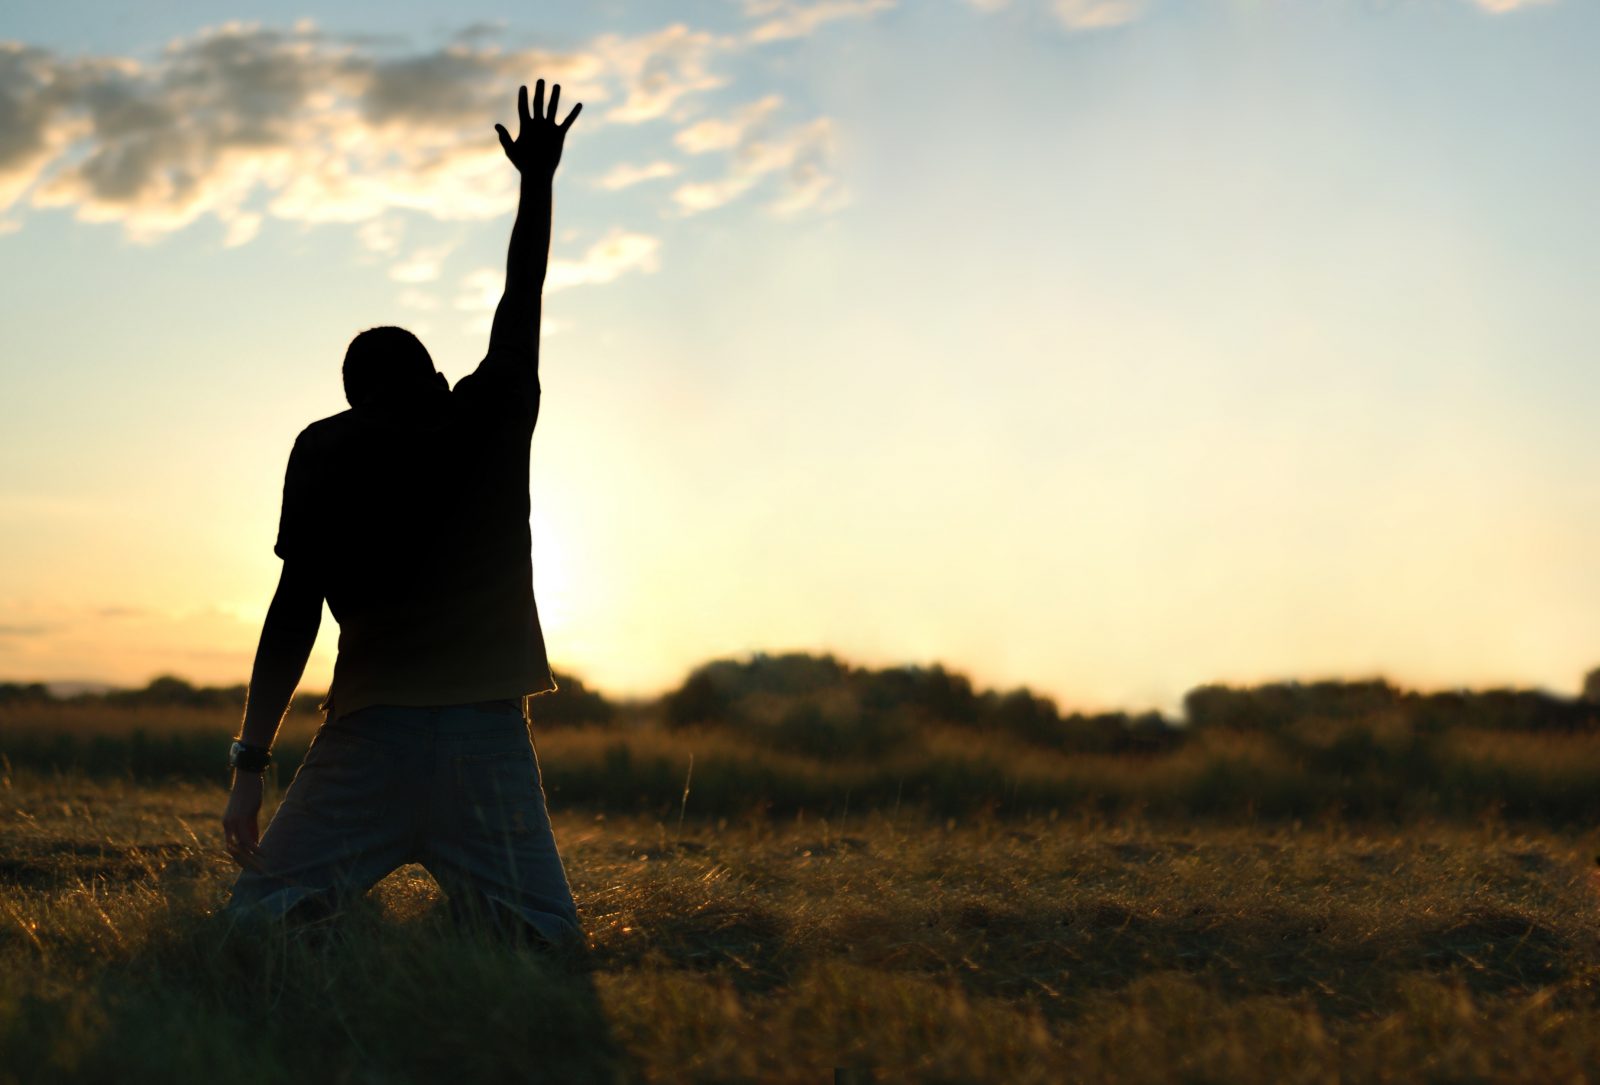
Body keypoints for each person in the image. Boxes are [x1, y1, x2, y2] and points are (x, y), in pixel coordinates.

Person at [220, 80, 584, 950]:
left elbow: (292, 611)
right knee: (550, 941)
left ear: (355, 396)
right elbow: (522, 292)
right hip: (487, 737)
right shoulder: (487, 413)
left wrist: (250, 763)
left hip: (368, 736)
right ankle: (496, 919)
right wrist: (537, 182)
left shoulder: (326, 446)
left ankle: (307, 916)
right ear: (431, 376)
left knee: (249, 927)